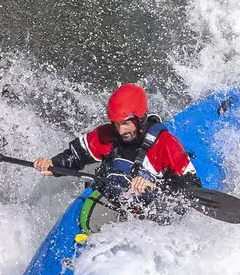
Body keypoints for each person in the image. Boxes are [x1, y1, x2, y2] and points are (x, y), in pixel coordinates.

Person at [34, 83, 200, 212]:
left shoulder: (165, 144)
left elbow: (192, 188)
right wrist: (54, 164)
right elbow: (76, 156)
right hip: (112, 205)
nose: (121, 131)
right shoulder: (107, 135)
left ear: (140, 119)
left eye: (126, 123)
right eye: (117, 124)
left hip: (152, 214)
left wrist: (153, 186)